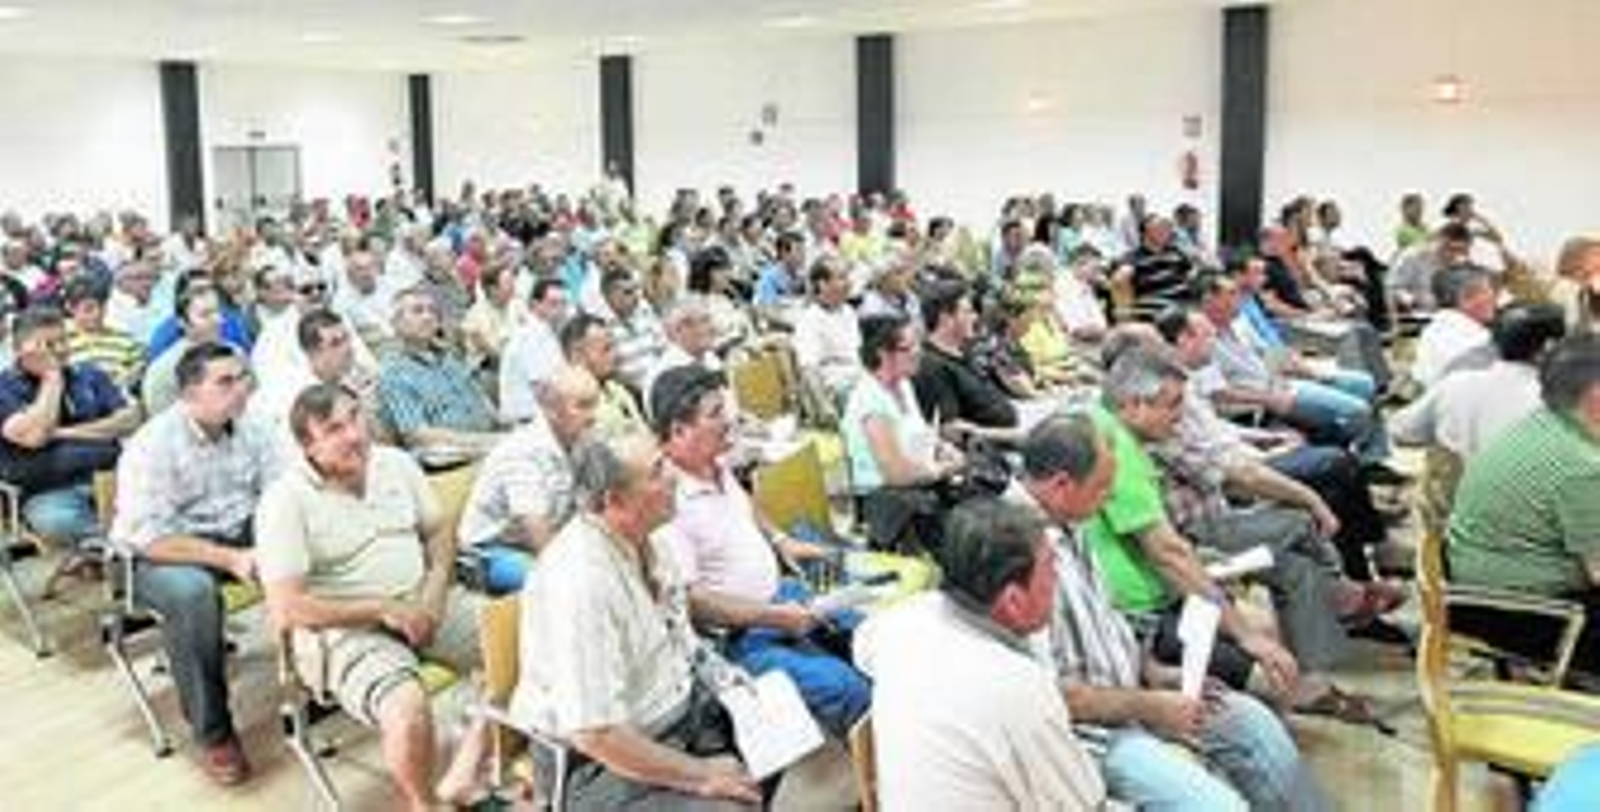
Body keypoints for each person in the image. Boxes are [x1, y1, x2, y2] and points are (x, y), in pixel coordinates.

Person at [1013, 414, 1326, 810]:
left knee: (1251, 721)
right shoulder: (1017, 549)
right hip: (1087, 734)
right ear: (1061, 485)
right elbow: (1053, 697)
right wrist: (1150, 705)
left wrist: (1155, 675)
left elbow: (1102, 623)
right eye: (1102, 487)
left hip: (1127, 698)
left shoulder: (1070, 522)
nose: (1110, 498)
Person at [508, 433, 763, 810]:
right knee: (730, 802)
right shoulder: (581, 582)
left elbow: (679, 634)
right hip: (598, 764)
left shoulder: (651, 540)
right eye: (658, 471)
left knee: (781, 737)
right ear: (615, 500)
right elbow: (597, 734)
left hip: (675, 716)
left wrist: (722, 674)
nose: (674, 475)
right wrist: (702, 775)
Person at [256, 383, 479, 811]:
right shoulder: (284, 501)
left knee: (530, 640)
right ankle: (423, 804)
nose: (355, 434)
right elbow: (287, 607)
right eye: (334, 428)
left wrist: (433, 591)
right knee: (407, 708)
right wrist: (382, 609)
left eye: (356, 417)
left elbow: (438, 530)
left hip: (421, 603)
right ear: (308, 446)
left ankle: (468, 772)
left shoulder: (395, 463)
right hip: (343, 633)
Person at [653, 364, 868, 738]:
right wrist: (775, 617)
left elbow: (745, 505)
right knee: (846, 688)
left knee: (869, 633)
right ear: (679, 431)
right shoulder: (667, 503)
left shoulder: (713, 463)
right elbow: (694, 602)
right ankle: (869, 769)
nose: (729, 420)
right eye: (716, 413)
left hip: (779, 597)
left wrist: (782, 541)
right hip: (737, 637)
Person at [855, 498, 1111, 809]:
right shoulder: (1017, 690)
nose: (1057, 579)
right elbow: (1084, 804)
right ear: (1013, 601)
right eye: (1051, 568)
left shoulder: (903, 619)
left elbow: (862, 646)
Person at [110, 342, 282, 785]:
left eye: (242, 378)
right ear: (188, 394)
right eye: (225, 382)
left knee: (304, 545)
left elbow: (280, 496)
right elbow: (149, 537)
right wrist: (233, 558)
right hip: (157, 554)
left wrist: (279, 539)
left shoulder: (254, 426)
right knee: (193, 595)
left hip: (235, 532)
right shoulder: (152, 445)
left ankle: (324, 677)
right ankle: (214, 733)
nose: (241, 389)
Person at [1447, 334, 1600, 672]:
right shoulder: (1583, 468)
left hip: (1477, 580)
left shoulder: (1544, 422)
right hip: (1519, 610)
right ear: (1595, 397)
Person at [0, 307, 139, 556]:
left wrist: (62, 433)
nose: (62, 350)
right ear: (21, 349)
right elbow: (35, 437)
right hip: (49, 490)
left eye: (64, 339)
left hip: (114, 477)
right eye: (48, 344)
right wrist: (52, 377)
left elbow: (129, 420)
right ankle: (120, 551)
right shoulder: (5, 388)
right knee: (58, 521)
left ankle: (116, 549)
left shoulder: (89, 373)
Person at [459, 364, 598, 594]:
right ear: (551, 409)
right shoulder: (522, 452)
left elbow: (595, 506)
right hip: (494, 551)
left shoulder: (580, 438)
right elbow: (536, 532)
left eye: (595, 404)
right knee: (565, 585)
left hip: (545, 538)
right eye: (582, 406)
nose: (593, 416)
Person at [842, 314, 965, 554]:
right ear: (882, 354)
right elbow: (896, 474)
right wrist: (942, 469)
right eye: (908, 348)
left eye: (918, 344)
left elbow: (918, 434)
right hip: (888, 500)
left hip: (919, 478)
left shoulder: (903, 384)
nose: (919, 352)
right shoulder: (870, 401)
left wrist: (943, 448)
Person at [377, 286, 502, 458]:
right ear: (396, 323)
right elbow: (418, 436)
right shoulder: (394, 372)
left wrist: (510, 428)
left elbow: (482, 403)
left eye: (432, 311)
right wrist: (486, 442)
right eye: (417, 311)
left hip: (489, 442)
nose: (428, 317)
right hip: (451, 457)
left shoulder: (449, 358)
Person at [1411, 264, 1498, 389]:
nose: (1494, 298)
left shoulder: (1433, 329)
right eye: (1488, 290)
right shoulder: (1477, 340)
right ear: (1467, 298)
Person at [498, 276, 569, 424]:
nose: (561, 310)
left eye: (564, 304)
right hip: (528, 420)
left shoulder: (547, 332)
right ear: (535, 305)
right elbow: (541, 390)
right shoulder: (530, 336)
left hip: (543, 415)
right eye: (554, 304)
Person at [62, 275, 145, 393]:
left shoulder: (124, 338)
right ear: (70, 308)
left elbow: (138, 370)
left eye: (102, 307)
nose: (97, 314)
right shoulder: (61, 339)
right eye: (88, 309)